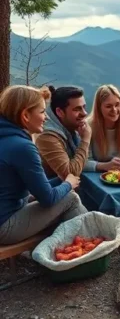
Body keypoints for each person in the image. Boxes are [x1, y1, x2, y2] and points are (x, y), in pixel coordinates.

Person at [0, 85, 87, 245]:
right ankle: (88, 248)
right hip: (5, 226)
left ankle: (74, 250)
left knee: (64, 193)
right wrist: (68, 183)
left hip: (10, 209)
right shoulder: (22, 147)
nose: (46, 117)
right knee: (71, 199)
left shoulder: (6, 137)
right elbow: (48, 198)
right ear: (25, 115)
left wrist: (63, 181)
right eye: (41, 112)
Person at [35, 86, 91, 179]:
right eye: (77, 109)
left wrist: (102, 165)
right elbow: (70, 174)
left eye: (84, 107)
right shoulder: (47, 137)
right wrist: (85, 140)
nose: (84, 113)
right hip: (54, 190)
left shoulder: (71, 126)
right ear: (60, 112)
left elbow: (78, 161)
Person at [83, 84, 120, 172]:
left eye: (117, 105)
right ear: (99, 108)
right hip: (97, 176)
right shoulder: (88, 126)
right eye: (108, 106)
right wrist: (105, 166)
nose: (114, 110)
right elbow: (83, 162)